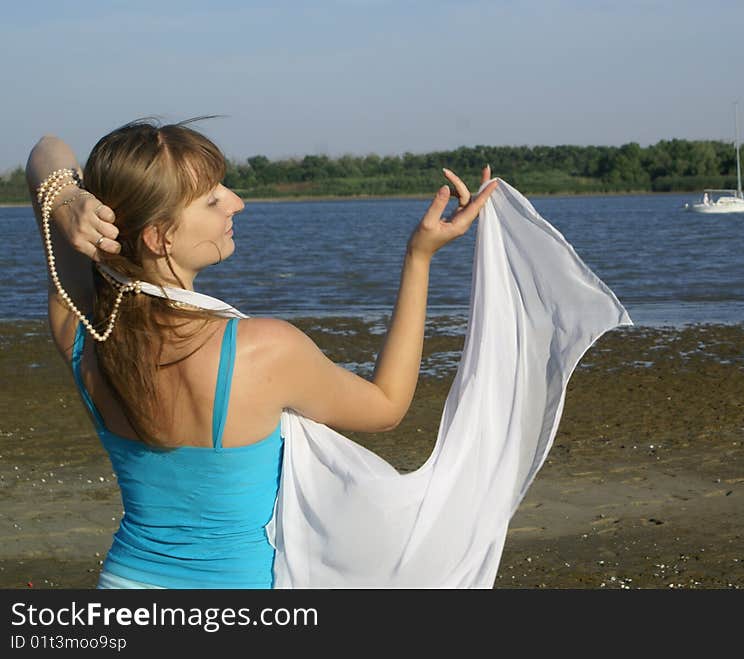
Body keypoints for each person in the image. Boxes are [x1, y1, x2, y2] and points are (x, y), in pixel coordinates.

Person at [26, 119, 497, 589]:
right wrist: (419, 257)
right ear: (159, 237)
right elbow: (387, 406)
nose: (236, 202)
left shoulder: (84, 328)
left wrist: (64, 203)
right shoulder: (261, 349)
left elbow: (46, 152)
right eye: (212, 199)